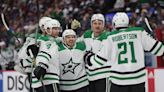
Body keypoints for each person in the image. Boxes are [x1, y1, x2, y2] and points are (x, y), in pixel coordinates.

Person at [84, 12, 164, 92]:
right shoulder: (139, 32)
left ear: (114, 23)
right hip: (138, 80)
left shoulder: (111, 37)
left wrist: (88, 58)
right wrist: (155, 40)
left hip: (119, 81)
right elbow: (160, 50)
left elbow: (99, 61)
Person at [82, 13, 111, 92]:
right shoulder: (87, 35)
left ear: (103, 24)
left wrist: (88, 57)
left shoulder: (108, 36)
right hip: (90, 76)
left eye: (99, 23)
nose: (97, 26)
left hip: (104, 75)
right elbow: (74, 42)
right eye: (95, 23)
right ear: (91, 24)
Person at [32, 19, 62, 92]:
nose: (57, 31)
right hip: (49, 78)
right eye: (54, 29)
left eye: (58, 29)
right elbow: (45, 54)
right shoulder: (49, 42)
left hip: (37, 79)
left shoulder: (40, 40)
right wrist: (42, 65)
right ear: (47, 30)